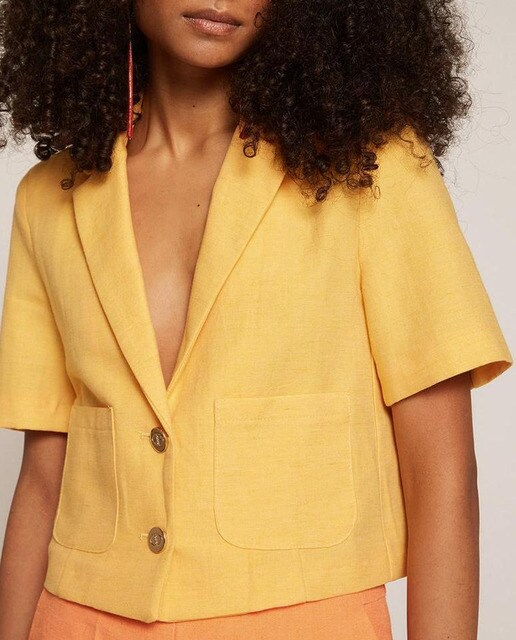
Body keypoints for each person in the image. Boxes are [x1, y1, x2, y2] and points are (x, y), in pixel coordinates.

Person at [0, 0, 512, 638]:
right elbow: (43, 479)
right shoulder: (49, 198)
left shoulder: (371, 170)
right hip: (77, 621)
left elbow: (443, 474)